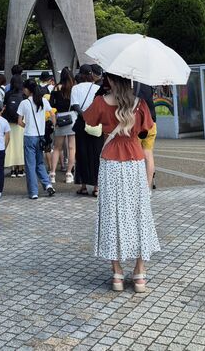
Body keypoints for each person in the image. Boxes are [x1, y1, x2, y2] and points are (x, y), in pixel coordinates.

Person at [83, 72, 161, 293]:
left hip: (110, 162)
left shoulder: (101, 102)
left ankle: (117, 274)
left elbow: (88, 121)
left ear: (111, 80)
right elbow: (146, 129)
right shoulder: (140, 104)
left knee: (112, 215)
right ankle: (139, 273)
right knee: (138, 214)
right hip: (134, 161)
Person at [18, 79, 56, 199]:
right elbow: (52, 114)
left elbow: (19, 122)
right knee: (40, 163)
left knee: (30, 165)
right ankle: (48, 185)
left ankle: (34, 192)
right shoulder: (43, 101)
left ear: (27, 90)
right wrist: (53, 126)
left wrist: (27, 126)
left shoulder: (24, 103)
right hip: (41, 136)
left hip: (29, 136)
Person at [71, 65, 101, 196]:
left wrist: (83, 115)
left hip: (81, 123)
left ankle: (83, 186)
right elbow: (100, 105)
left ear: (80, 74)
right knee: (96, 154)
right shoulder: (98, 88)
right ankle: (96, 187)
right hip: (95, 123)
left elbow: (75, 105)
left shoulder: (75, 88)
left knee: (81, 154)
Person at [49, 67, 77, 185]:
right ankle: (69, 174)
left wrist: (54, 120)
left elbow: (51, 105)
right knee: (71, 148)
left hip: (60, 118)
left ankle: (52, 174)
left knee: (57, 147)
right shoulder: (74, 88)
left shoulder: (56, 88)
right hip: (71, 117)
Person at [135, 82, 158, 189]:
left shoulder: (132, 85)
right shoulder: (147, 84)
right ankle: (147, 187)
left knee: (135, 155)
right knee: (148, 154)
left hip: (138, 124)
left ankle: (136, 186)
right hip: (151, 122)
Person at [3, 75, 26, 177]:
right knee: (20, 145)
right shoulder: (24, 94)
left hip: (10, 122)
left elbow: (5, 107)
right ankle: (20, 169)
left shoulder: (8, 94)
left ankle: (12, 170)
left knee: (11, 146)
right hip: (21, 122)